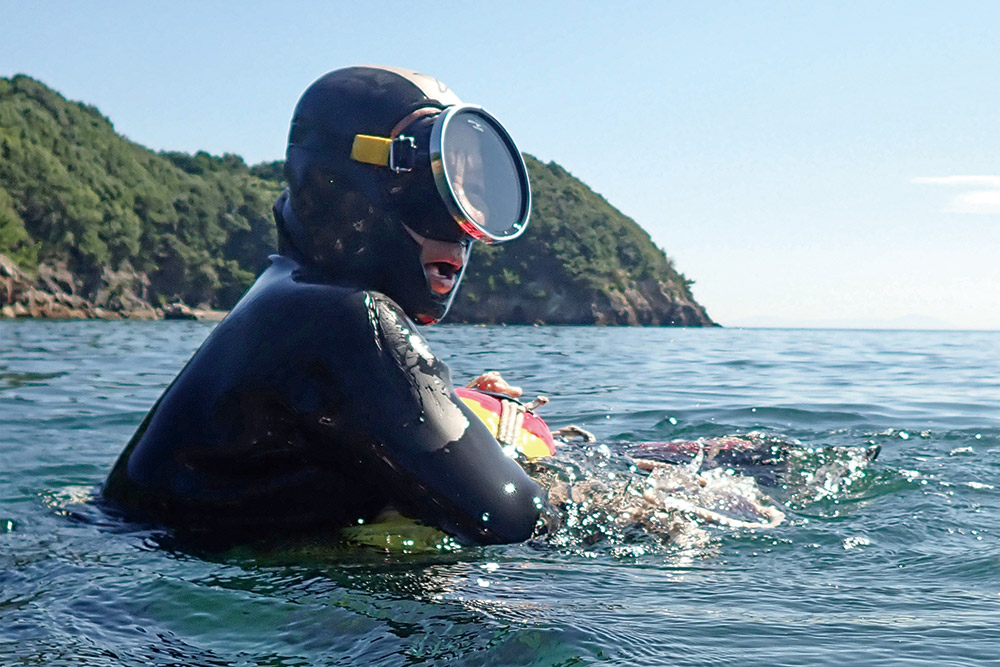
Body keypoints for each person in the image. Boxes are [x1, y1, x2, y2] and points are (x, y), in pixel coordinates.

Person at [103, 66, 552, 546]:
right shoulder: (346, 317)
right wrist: (518, 455)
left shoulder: (288, 298)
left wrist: (462, 416)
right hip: (137, 608)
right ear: (346, 183)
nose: (467, 223)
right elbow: (511, 519)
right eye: (436, 182)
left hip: (135, 577)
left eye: (476, 197)